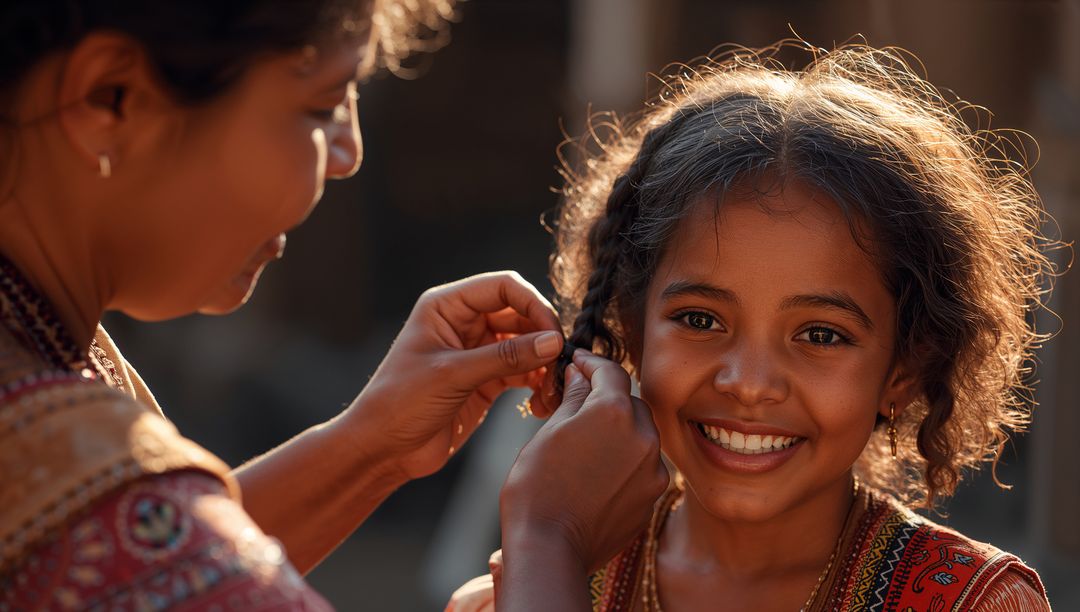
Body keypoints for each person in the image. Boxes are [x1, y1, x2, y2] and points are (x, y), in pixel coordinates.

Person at [0, 1, 668, 609]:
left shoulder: (49, 363)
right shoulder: (67, 473)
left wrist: (374, 445)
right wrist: (550, 542)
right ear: (108, 100)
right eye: (320, 106)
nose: (348, 154)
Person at [449, 42, 1060, 611]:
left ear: (905, 369)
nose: (749, 382)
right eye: (700, 320)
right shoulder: (521, 589)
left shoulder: (975, 603)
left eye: (821, 334)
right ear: (632, 331)